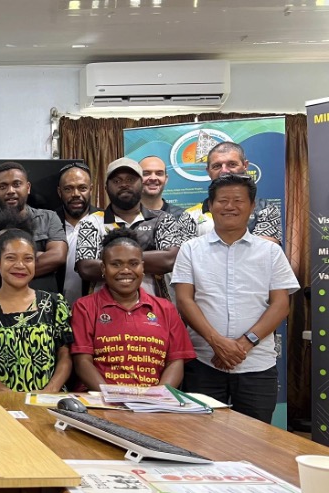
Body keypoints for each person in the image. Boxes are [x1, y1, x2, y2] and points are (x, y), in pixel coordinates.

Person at [173, 175, 298, 423]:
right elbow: (185, 300)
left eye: (238, 200)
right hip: (203, 362)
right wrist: (216, 341)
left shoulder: (270, 252)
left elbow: (281, 304)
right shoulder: (190, 249)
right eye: (222, 200)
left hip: (257, 365)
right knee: (201, 438)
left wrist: (243, 344)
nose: (230, 206)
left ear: (252, 206)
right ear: (210, 205)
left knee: (255, 441)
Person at [70, 228, 195, 390]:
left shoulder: (166, 308)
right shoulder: (84, 307)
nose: (125, 270)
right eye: (116, 264)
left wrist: (157, 397)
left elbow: (175, 361)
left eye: (133, 264)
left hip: (153, 405)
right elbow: (82, 362)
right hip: (101, 401)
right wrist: (113, 396)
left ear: (142, 268)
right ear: (103, 269)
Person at [0, 219, 73, 393]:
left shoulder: (55, 304)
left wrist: (49, 391)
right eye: (11, 258)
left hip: (47, 403)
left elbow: (65, 355)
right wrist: (9, 395)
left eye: (28, 259)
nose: (20, 266)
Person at [75, 157, 194, 300]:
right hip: (103, 310)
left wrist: (111, 261)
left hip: (153, 309)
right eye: (117, 181)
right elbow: (86, 268)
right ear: (106, 188)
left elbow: (169, 260)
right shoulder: (91, 222)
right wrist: (147, 260)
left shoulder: (162, 219)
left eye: (131, 180)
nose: (124, 185)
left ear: (141, 184)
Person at [0, 162, 67, 294]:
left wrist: (8, 266)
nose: (10, 191)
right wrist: (38, 257)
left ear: (28, 187)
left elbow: (58, 256)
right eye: (3, 186)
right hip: (2, 306)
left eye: (17, 184)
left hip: (44, 304)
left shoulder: (48, 218)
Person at [183, 141, 282, 244]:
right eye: (217, 166)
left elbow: (264, 251)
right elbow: (188, 253)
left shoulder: (266, 210)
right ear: (208, 171)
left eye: (232, 164)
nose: (224, 171)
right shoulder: (190, 215)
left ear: (245, 165)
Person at [55, 161, 100, 306]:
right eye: (68, 189)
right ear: (59, 191)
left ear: (91, 189)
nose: (76, 194)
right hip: (53, 310)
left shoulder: (106, 221)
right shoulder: (47, 223)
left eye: (82, 188)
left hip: (96, 310)